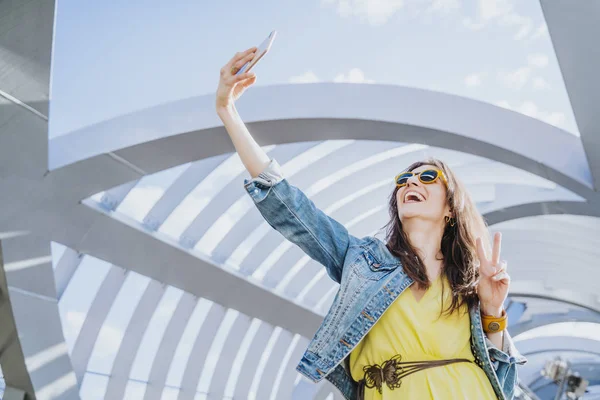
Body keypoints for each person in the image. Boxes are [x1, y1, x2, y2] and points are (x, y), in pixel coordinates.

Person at [215, 47, 527, 400]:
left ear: (451, 208)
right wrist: (227, 111)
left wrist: (492, 309)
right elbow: (290, 205)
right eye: (404, 180)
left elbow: (498, 370)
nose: (411, 183)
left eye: (428, 177)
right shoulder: (361, 259)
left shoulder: (467, 276)